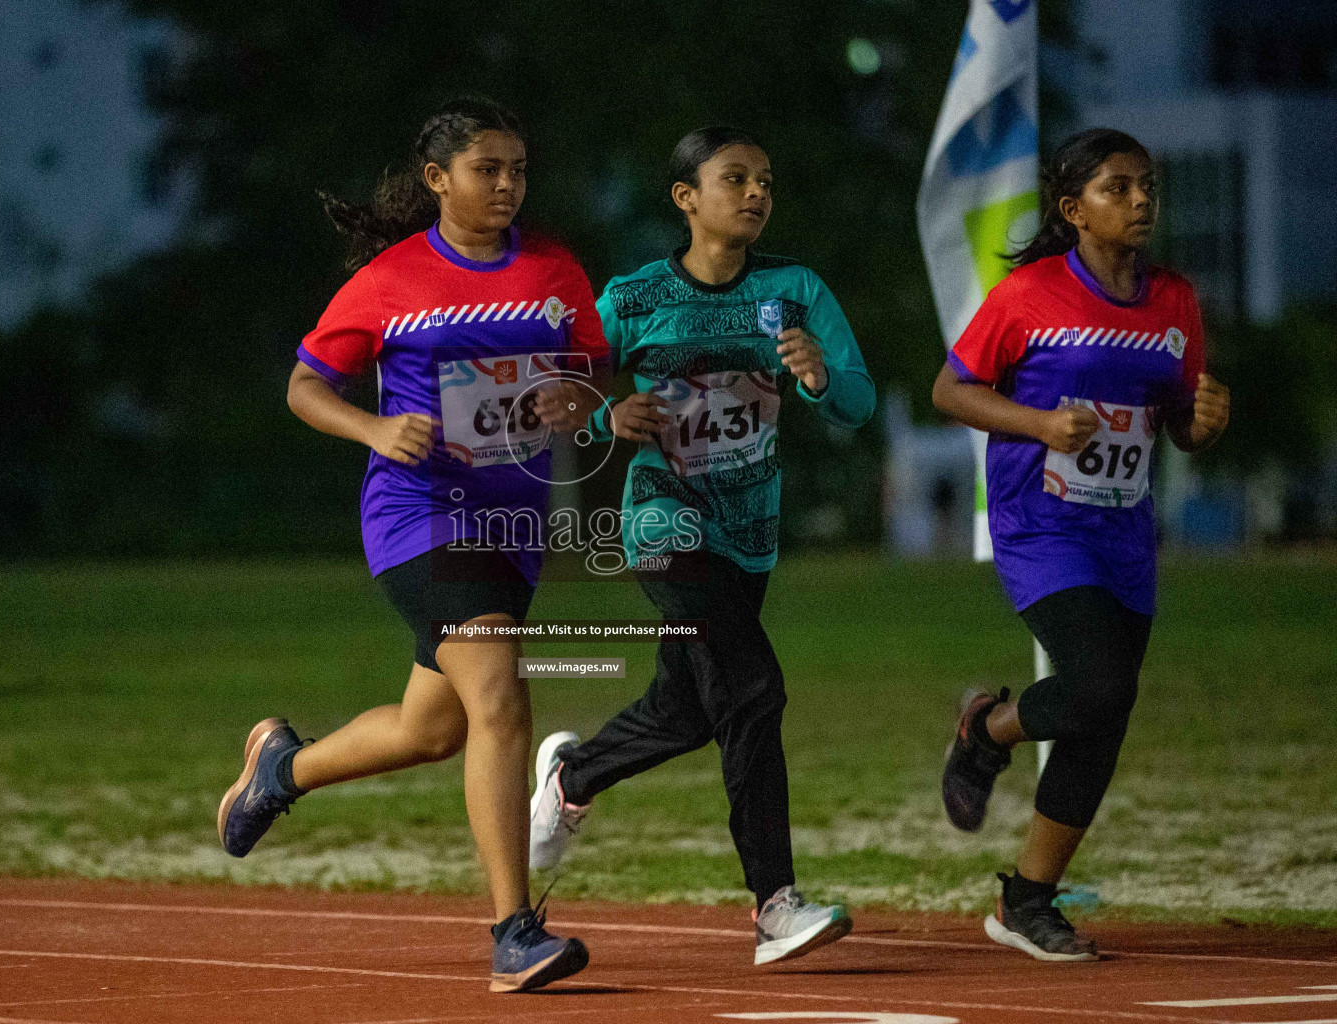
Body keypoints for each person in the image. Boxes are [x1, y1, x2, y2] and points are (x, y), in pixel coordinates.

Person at [215, 98, 609, 993]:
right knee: (502, 697)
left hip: (514, 522)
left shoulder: (554, 269)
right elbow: (305, 386)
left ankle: (283, 768)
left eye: (518, 169)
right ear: (438, 179)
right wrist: (373, 429)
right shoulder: (391, 279)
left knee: (434, 730)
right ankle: (515, 932)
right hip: (419, 512)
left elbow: (590, 373)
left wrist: (573, 399)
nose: (508, 185)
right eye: (487, 170)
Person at [527, 126, 876, 966]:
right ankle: (776, 906)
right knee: (753, 688)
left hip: (748, 532)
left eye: (765, 180)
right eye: (735, 178)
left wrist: (821, 376)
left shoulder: (796, 292)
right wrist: (611, 415)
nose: (756, 193)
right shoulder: (636, 298)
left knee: (687, 710)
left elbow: (859, 402)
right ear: (686, 197)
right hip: (663, 518)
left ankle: (572, 780)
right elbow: (553, 394)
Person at [932, 128, 1230, 961]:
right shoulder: (1027, 295)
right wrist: (1036, 423)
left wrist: (1199, 424)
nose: (1141, 201)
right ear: (1074, 209)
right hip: (1041, 523)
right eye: (1119, 188)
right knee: (1098, 686)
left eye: (1147, 187)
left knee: (1107, 710)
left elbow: (1177, 421)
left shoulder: (1174, 299)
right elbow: (949, 390)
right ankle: (985, 730)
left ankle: (1026, 901)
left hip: (1125, 531)